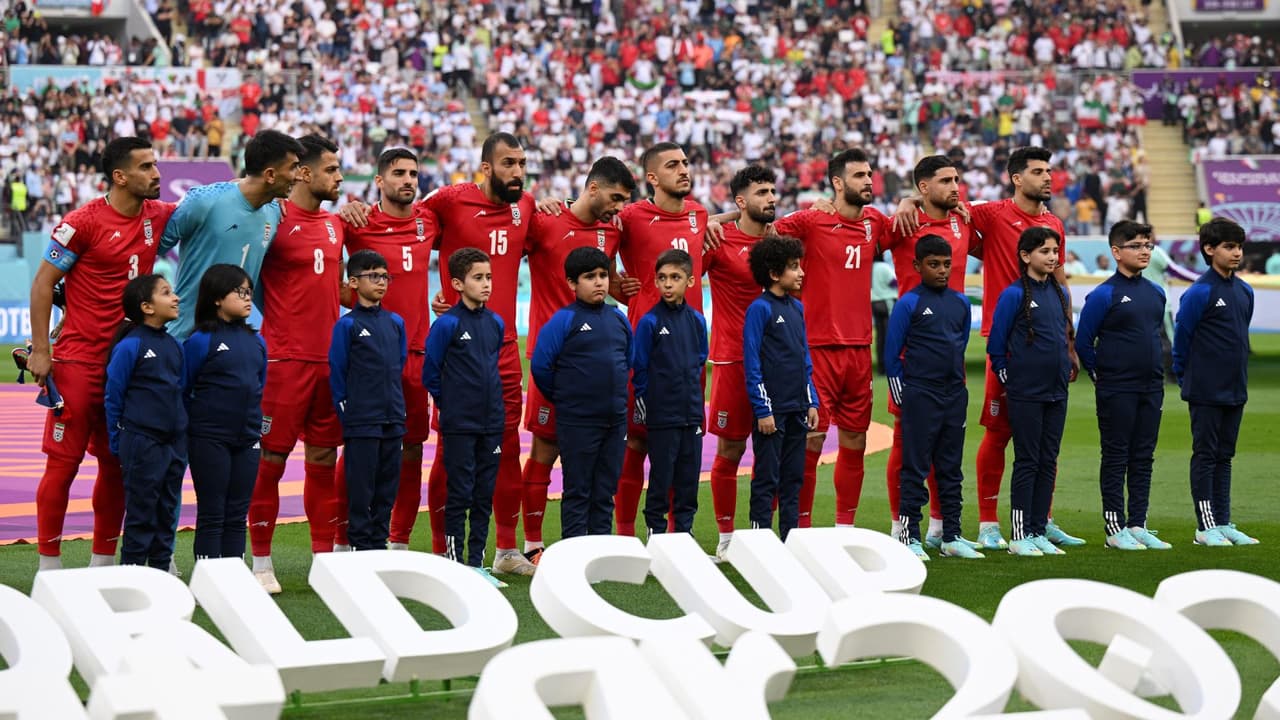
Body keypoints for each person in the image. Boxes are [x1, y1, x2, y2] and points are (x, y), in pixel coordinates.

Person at [903, 146, 1084, 550]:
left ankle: (1043, 519)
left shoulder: (1053, 222)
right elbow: (939, 202)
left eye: (1049, 170)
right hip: (1007, 342)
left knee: (1044, 438)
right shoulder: (990, 213)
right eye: (1038, 171)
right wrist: (906, 198)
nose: (1048, 177)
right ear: (1017, 179)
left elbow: (1059, 278)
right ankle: (987, 523)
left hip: (1049, 342)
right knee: (999, 431)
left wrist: (1069, 337)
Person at [29, 136, 176, 571]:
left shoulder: (158, 215)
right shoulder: (83, 222)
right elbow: (42, 285)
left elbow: (214, 206)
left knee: (117, 466)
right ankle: (48, 567)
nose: (157, 174)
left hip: (128, 367)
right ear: (120, 176)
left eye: (155, 165)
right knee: (63, 466)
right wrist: (42, 350)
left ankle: (102, 565)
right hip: (77, 364)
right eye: (147, 167)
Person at [420, 133, 537, 576]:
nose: (518, 172)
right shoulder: (449, 200)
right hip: (461, 351)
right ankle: (440, 553)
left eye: (522, 163)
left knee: (507, 451)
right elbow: (406, 225)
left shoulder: (526, 206)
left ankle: (506, 551)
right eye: (509, 163)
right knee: (450, 452)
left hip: (504, 350)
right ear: (486, 167)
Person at [521, 156, 634, 561]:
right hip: (551, 357)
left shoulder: (611, 230)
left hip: (595, 364)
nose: (619, 207)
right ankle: (531, 544)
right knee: (544, 451)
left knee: (597, 469)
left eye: (624, 200)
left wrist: (622, 287)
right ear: (592, 189)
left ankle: (594, 546)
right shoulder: (545, 221)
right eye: (615, 197)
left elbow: (613, 282)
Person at [248, 134, 345, 593]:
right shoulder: (272, 218)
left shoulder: (335, 224)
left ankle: (323, 560)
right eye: (331, 169)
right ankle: (261, 563)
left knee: (324, 459)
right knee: (270, 460)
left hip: (329, 361)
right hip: (284, 362)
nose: (339, 177)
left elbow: (333, 288)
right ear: (303, 172)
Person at [772, 148, 887, 528]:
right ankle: (799, 528)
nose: (868, 181)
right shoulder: (812, 221)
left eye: (869, 174)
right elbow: (766, 230)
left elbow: (914, 223)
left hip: (858, 351)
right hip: (817, 350)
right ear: (837, 183)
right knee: (810, 443)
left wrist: (907, 199)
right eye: (858, 176)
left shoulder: (875, 223)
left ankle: (844, 529)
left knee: (856, 441)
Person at [339, 147, 439, 553]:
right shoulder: (356, 223)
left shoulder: (429, 220)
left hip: (416, 353)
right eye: (398, 173)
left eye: (413, 173)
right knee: (358, 448)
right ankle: (343, 539)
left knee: (412, 447)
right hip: (368, 357)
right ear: (379, 181)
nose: (408, 180)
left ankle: (397, 541)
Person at [880, 155, 978, 549]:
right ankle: (900, 527)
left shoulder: (964, 220)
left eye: (957, 179)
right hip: (913, 356)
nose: (956, 187)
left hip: (949, 357)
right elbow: (862, 237)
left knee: (947, 451)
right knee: (908, 448)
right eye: (946, 181)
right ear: (924, 187)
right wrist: (905, 203)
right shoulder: (903, 222)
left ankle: (942, 528)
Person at [613, 142, 709, 538]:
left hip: (689, 353)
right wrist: (621, 290)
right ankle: (623, 535)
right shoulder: (630, 217)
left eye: (686, 162)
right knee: (636, 444)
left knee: (686, 446)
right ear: (652, 177)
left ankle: (675, 537)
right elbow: (593, 249)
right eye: (673, 165)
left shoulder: (701, 215)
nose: (683, 169)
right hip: (647, 351)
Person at [1075, 221, 1171, 551]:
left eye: (1148, 245)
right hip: (1117, 388)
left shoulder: (1156, 293)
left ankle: (1138, 524)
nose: (1145, 251)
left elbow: (1153, 335)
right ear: (1116, 252)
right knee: (1116, 456)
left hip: (1151, 387)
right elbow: (1084, 342)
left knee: (1143, 457)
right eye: (1137, 245)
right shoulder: (1104, 294)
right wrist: (1100, 374)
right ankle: (1114, 528)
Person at [161, 129, 303, 340]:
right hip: (184, 338)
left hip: (233, 342)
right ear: (270, 175)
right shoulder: (204, 201)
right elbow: (155, 246)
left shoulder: (274, 213)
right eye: (293, 168)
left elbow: (260, 278)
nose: (298, 175)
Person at [530, 247, 633, 539]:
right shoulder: (564, 320)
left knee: (605, 490)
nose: (599, 282)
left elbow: (630, 358)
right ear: (572, 284)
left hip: (615, 420)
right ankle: (573, 555)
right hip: (577, 421)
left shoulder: (618, 318)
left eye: (602, 275)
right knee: (578, 490)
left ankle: (600, 551)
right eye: (590, 277)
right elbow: (541, 367)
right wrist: (568, 398)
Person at [987, 227, 1074, 557]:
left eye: (1055, 251)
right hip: (1026, 391)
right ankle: (1020, 533)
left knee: (1048, 460)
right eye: (1045, 251)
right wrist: (1012, 378)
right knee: (1027, 460)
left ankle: (1038, 528)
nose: (1052, 257)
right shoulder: (1013, 295)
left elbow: (1062, 337)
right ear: (1026, 256)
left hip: (1056, 390)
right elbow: (997, 347)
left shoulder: (1058, 293)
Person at [1173, 218, 1259, 547]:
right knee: (1206, 455)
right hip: (1206, 390)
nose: (1236, 253)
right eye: (1229, 246)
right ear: (1209, 250)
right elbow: (1181, 340)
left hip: (1236, 388)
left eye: (1239, 246)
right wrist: (1186, 378)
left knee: (1225, 456)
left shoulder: (1244, 290)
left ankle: (1223, 522)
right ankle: (1205, 526)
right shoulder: (1200, 292)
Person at [422, 249, 506, 586]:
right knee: (459, 493)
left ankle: (478, 564)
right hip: (460, 423)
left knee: (485, 494)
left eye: (488, 277)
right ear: (458, 283)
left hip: (492, 422)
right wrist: (451, 403)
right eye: (478, 278)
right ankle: (457, 566)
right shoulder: (447, 324)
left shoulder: (495, 322)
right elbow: (431, 373)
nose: (486, 284)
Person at [703, 166, 775, 559]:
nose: (771, 197)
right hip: (732, 360)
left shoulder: (783, 240)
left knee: (774, 453)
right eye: (761, 192)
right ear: (742, 201)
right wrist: (717, 220)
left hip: (777, 362)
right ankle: (727, 538)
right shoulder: (719, 239)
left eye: (772, 191)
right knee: (729, 452)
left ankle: (761, 534)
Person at [182, 264, 267, 560]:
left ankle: (233, 578)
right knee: (212, 510)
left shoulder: (257, 342)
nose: (247, 298)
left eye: (249, 292)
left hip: (247, 438)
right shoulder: (200, 341)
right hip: (209, 438)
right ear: (217, 297)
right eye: (239, 291)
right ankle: (209, 578)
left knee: (237, 512)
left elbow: (258, 385)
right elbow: (183, 388)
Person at [103, 274, 186, 568]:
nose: (175, 297)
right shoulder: (130, 346)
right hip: (141, 442)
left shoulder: (175, 345)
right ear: (147, 307)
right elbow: (114, 396)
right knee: (141, 516)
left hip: (173, 444)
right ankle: (131, 583)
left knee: (167, 514)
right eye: (166, 293)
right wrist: (119, 442)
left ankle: (162, 580)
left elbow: (180, 391)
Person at [328, 250, 408, 552]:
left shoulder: (395, 322)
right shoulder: (347, 326)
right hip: (362, 420)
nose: (381, 282)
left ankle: (378, 545)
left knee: (387, 488)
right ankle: (360, 548)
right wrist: (350, 412)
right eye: (373, 276)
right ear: (353, 282)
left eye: (385, 276)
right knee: (361, 489)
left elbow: (398, 364)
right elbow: (338, 372)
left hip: (393, 418)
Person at [743, 235, 819, 541]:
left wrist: (811, 400)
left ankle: (790, 540)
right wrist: (763, 410)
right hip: (771, 413)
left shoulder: (797, 308)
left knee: (793, 478)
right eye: (793, 267)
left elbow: (804, 357)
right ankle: (759, 542)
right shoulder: (759, 309)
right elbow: (752, 362)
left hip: (798, 409)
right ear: (774, 274)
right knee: (766, 478)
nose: (800, 273)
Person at [631, 248, 709, 536]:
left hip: (691, 414)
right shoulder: (650, 322)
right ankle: (656, 534)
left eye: (675, 277)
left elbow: (701, 357)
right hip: (662, 416)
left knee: (688, 482)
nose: (667, 283)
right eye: (662, 277)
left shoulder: (697, 321)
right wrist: (648, 403)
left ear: (689, 281)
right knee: (661, 480)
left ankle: (684, 535)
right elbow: (639, 367)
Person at [871, 256, 896, 374]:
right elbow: (894, 281)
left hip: (874, 302)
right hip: (887, 301)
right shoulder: (884, 267)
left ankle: (881, 367)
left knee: (880, 337)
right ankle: (890, 364)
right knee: (890, 335)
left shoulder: (870, 268)